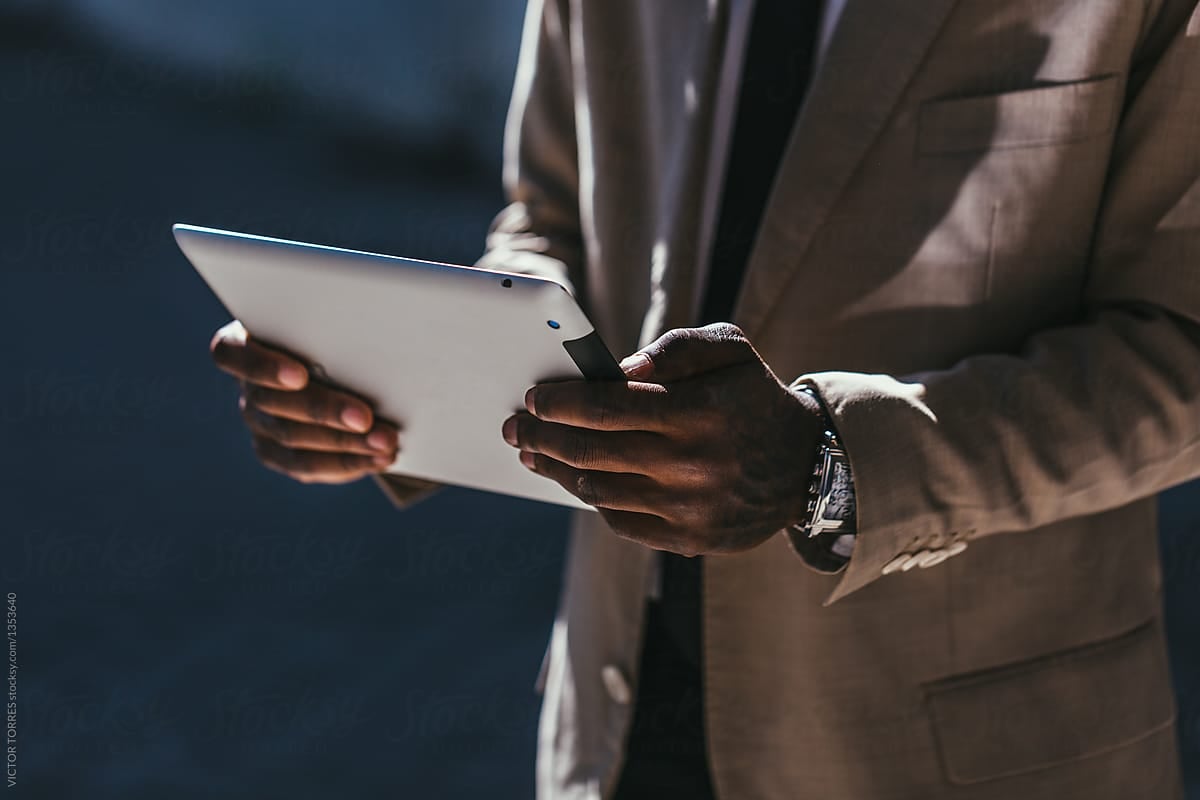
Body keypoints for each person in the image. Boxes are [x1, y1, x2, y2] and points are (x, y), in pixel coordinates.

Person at [210, 0, 1200, 797]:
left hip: (953, 743)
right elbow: (552, 214)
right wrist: (388, 389)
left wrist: (834, 462)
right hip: (620, 719)